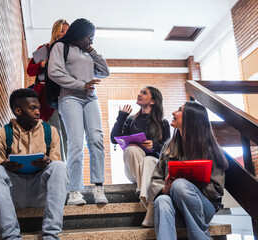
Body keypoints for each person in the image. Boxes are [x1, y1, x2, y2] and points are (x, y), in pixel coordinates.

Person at [0, 88, 68, 240]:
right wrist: (5, 165)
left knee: (59, 166)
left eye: (38, 108)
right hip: (14, 193)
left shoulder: (51, 131)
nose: (38, 112)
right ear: (18, 110)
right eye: (32, 108)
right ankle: (11, 236)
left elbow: (55, 164)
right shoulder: (2, 134)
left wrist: (48, 161)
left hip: (40, 192)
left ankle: (51, 234)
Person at [47, 18, 110, 205]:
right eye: (89, 37)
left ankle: (98, 186)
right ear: (79, 34)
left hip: (91, 99)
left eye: (93, 38)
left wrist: (91, 50)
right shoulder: (60, 47)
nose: (91, 41)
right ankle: (74, 191)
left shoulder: (88, 52)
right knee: (75, 142)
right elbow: (54, 72)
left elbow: (105, 71)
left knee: (96, 139)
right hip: (70, 98)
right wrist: (81, 85)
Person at [149, 101, 228, 240]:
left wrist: (190, 185)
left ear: (191, 119)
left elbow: (216, 190)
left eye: (179, 110)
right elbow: (156, 179)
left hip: (203, 209)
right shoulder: (169, 146)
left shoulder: (211, 150)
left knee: (180, 184)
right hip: (174, 209)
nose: (174, 113)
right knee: (161, 200)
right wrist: (165, 189)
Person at [110, 86, 170, 227]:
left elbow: (168, 152)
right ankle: (150, 199)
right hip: (133, 168)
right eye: (140, 92)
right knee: (131, 149)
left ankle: (149, 207)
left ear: (153, 101)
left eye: (144, 93)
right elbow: (114, 139)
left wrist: (155, 146)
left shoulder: (163, 123)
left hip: (152, 169)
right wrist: (121, 117)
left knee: (149, 160)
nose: (139, 94)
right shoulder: (131, 120)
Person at [27, 19, 69, 162]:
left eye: (67, 31)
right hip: (48, 96)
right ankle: (58, 166)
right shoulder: (44, 49)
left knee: (67, 135)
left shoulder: (70, 50)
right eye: (62, 30)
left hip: (65, 95)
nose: (64, 34)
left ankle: (66, 170)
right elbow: (30, 70)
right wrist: (42, 64)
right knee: (55, 133)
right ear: (55, 31)